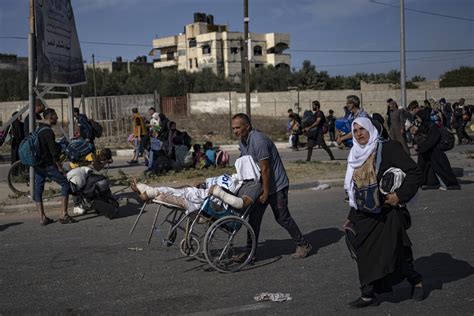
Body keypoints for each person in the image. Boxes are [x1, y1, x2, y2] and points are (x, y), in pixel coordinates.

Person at [343, 117, 424, 308]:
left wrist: (400, 195)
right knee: (364, 253)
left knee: (395, 253)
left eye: (363, 129)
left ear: (371, 129)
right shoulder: (355, 154)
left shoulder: (388, 149)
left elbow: (415, 173)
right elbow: (357, 190)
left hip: (388, 211)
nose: (359, 134)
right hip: (364, 213)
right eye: (355, 131)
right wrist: (350, 217)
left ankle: (416, 280)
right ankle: (368, 294)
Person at [231, 113, 312, 260]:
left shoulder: (259, 140)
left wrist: (266, 192)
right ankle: (251, 252)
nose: (235, 131)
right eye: (233, 128)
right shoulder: (243, 141)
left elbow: (266, 168)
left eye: (238, 127)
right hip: (261, 185)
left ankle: (303, 244)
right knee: (253, 219)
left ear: (247, 127)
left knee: (282, 218)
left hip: (276, 186)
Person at [34, 108, 74, 225]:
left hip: (38, 165)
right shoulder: (48, 132)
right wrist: (61, 169)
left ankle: (42, 218)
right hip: (47, 165)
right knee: (65, 184)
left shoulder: (39, 129)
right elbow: (53, 154)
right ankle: (63, 214)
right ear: (50, 117)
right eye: (56, 116)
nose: (57, 118)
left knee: (38, 190)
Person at [414, 108, 460, 190]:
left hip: (434, 152)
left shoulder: (432, 126)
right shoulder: (423, 125)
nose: (417, 119)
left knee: (440, 169)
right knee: (422, 168)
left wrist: (421, 147)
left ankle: (448, 184)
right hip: (425, 152)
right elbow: (419, 136)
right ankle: (422, 183)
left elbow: (431, 140)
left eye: (418, 117)